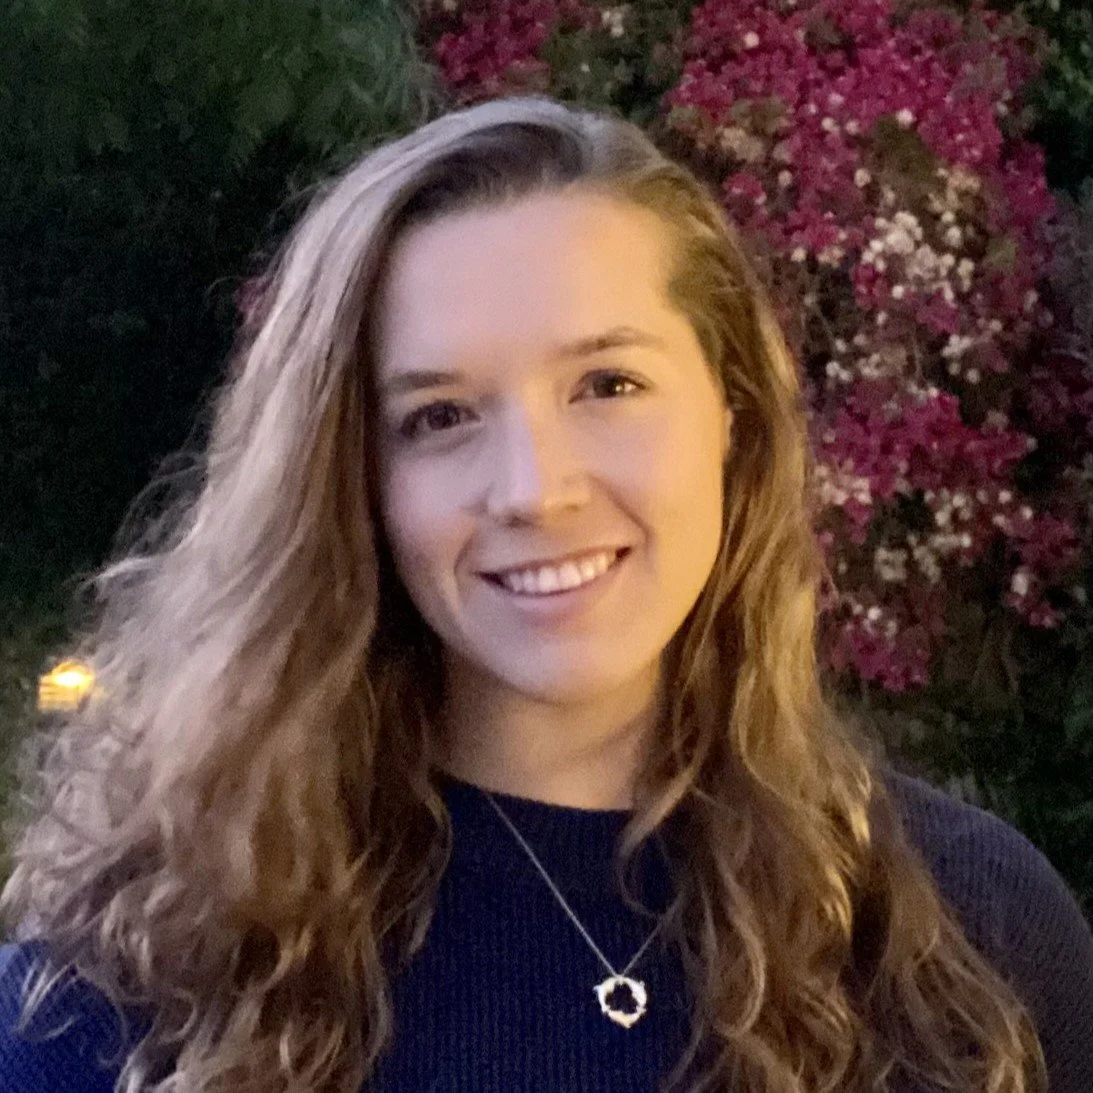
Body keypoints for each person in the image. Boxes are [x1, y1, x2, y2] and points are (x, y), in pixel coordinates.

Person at [0, 93, 1090, 1093]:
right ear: (350, 479)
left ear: (735, 416)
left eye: (607, 385)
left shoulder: (973, 935)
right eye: (440, 416)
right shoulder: (134, 992)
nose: (534, 490)